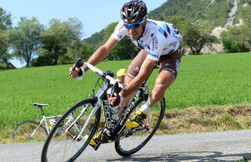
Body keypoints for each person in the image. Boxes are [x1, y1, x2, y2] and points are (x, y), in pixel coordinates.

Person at [70, 0, 182, 146]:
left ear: (144, 22)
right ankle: (110, 131)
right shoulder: (124, 25)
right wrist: (82, 70)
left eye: (135, 25)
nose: (130, 30)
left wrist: (123, 94)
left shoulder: (156, 34)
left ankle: (142, 113)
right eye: (128, 26)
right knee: (124, 90)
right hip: (148, 51)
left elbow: (143, 74)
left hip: (169, 55)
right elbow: (105, 49)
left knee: (160, 84)